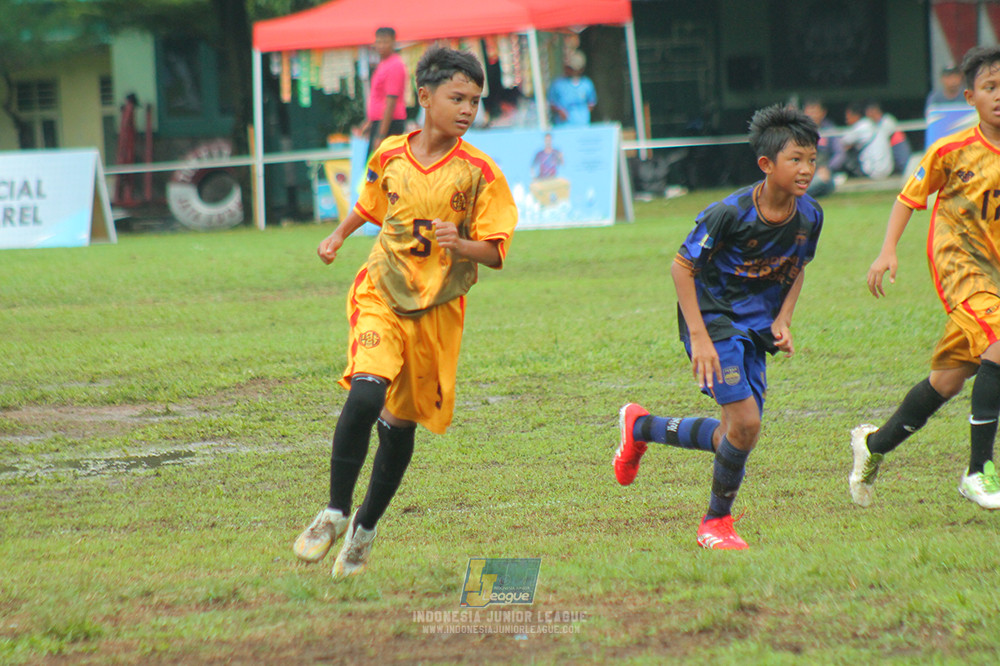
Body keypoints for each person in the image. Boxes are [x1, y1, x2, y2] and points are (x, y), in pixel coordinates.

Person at [293, 47, 518, 578]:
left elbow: (495, 252)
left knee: (398, 428)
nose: (468, 109)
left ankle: (364, 530)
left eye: (475, 101)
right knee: (366, 393)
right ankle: (334, 512)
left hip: (436, 312)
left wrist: (461, 245)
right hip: (381, 291)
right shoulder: (391, 153)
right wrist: (337, 236)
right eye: (457, 98)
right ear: (424, 97)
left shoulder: (480, 172)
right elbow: (370, 204)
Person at [613, 104, 823, 550]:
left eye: (811, 159)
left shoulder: (810, 216)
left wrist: (783, 319)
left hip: (756, 329)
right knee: (746, 424)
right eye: (795, 159)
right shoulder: (728, 213)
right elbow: (681, 266)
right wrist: (700, 337)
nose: (806, 169)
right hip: (714, 318)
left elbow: (799, 266)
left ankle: (641, 428)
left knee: (735, 433)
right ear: (766, 164)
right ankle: (715, 523)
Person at [850, 45, 1000, 510]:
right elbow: (908, 198)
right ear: (970, 97)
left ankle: (873, 446)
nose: (999, 95)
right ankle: (978, 472)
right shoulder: (951, 150)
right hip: (962, 268)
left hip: (996, 279)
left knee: (945, 383)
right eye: (991, 87)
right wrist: (887, 250)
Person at [361, 27, 408, 158]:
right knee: (373, 164)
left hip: (389, 123)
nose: (381, 46)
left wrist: (381, 135)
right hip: (379, 122)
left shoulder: (395, 65)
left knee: (381, 164)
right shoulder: (383, 64)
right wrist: (370, 122)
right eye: (379, 42)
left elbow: (391, 102)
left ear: (393, 42)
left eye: (385, 42)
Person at [802, 98, 845, 197]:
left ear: (823, 113)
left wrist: (828, 168)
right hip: (802, 171)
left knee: (825, 182)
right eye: (809, 112)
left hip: (822, 172)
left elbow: (840, 153)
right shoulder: (799, 130)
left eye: (815, 112)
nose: (812, 116)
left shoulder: (830, 130)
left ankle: (794, 197)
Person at [841, 102, 893, 180]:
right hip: (888, 170)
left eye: (848, 117)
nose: (846, 120)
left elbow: (843, 142)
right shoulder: (886, 123)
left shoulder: (863, 125)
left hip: (872, 171)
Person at [547, 50, 597, 126]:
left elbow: (591, 103)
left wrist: (583, 114)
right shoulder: (557, 84)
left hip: (583, 125)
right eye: (569, 68)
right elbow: (551, 102)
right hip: (563, 126)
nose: (570, 71)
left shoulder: (587, 84)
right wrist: (559, 111)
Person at [865, 100, 912, 175]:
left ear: (874, 111)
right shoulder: (874, 124)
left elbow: (887, 134)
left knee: (905, 166)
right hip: (889, 147)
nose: (867, 115)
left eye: (868, 112)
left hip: (897, 144)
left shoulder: (887, 120)